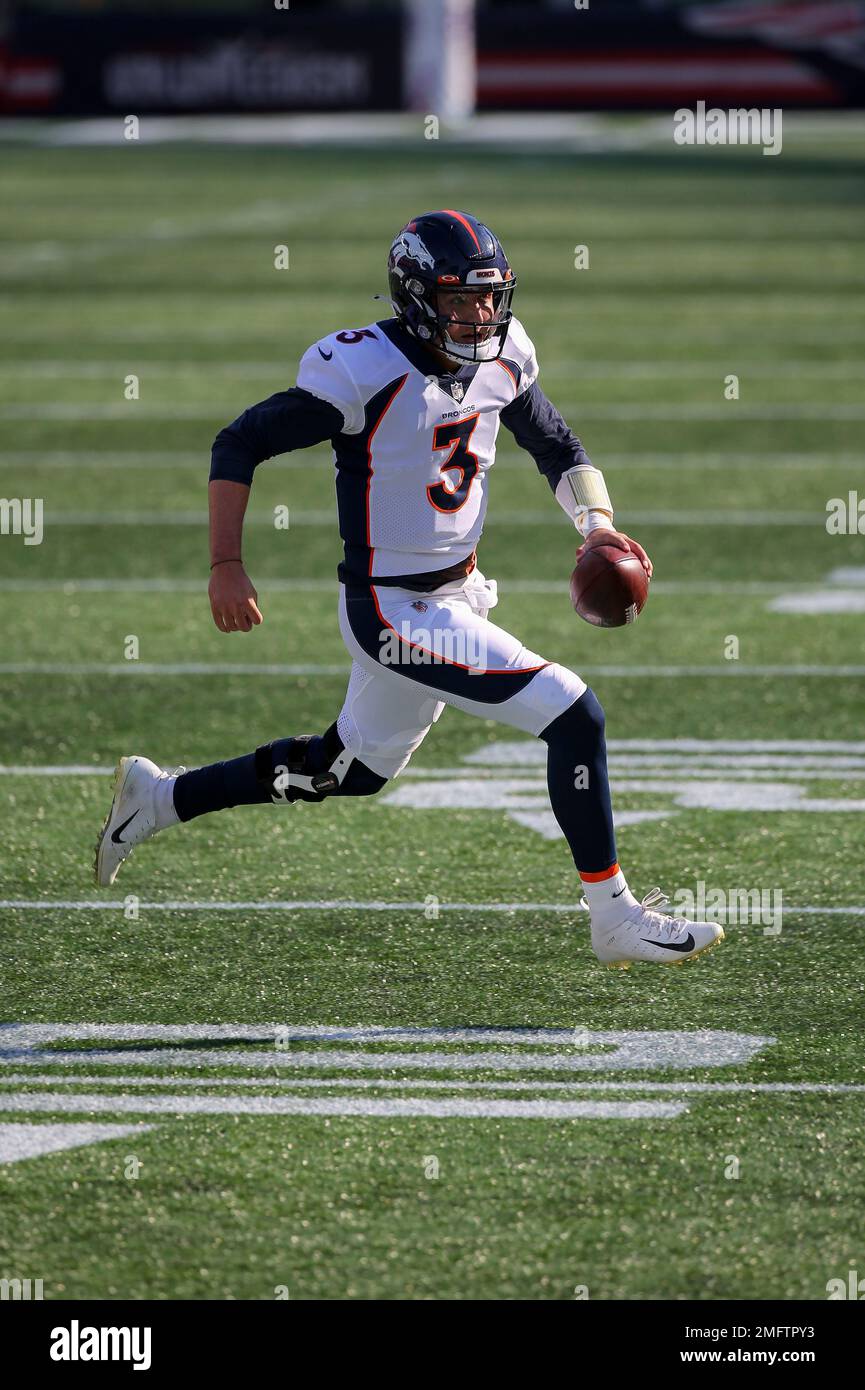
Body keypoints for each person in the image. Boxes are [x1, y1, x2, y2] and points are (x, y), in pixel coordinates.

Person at [95, 209, 724, 969]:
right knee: (573, 714)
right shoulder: (362, 370)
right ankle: (612, 914)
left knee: (346, 771)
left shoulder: (500, 356)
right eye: (460, 300)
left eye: (490, 299)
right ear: (416, 296)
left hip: (455, 595)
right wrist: (225, 563)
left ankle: (160, 798)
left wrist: (595, 525)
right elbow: (240, 440)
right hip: (392, 607)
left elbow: (554, 443)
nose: (479, 315)